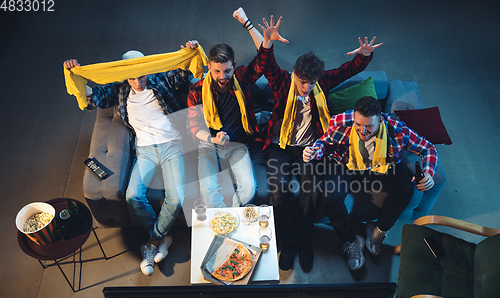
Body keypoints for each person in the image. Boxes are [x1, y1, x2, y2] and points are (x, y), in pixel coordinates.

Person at [256, 15, 382, 272]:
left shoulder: (320, 84)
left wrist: (364, 56)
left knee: (310, 196)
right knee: (279, 194)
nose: (307, 87)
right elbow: (267, 65)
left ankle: (304, 242)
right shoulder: (282, 82)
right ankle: (289, 243)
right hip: (280, 146)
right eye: (303, 81)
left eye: (311, 82)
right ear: (295, 76)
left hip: (309, 149)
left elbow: (348, 70)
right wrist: (267, 42)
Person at [63, 40, 199, 276]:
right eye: (133, 77)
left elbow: (184, 71)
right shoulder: (120, 91)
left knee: (176, 198)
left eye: (142, 74)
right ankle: (162, 237)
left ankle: (153, 243)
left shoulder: (162, 79)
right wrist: (75, 74)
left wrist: (190, 50)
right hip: (145, 150)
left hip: (173, 145)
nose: (138, 81)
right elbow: (92, 98)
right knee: (132, 195)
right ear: (125, 75)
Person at [303, 96, 437, 271]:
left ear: (380, 120)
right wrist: (314, 151)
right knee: (330, 196)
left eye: (369, 126)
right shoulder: (341, 123)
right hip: (347, 164)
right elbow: (323, 143)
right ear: (354, 118)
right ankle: (351, 241)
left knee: (406, 188)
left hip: (383, 164)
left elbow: (428, 148)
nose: (363, 130)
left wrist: (428, 172)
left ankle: (378, 230)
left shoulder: (397, 129)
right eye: (359, 124)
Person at [186, 16, 287, 208]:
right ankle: (223, 222)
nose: (222, 77)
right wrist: (212, 139)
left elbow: (263, 60)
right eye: (217, 72)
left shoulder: (241, 77)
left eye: (227, 71)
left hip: (238, 145)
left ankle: (230, 218)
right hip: (209, 146)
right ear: (209, 66)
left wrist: (264, 39)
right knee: (208, 190)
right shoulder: (196, 90)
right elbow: (194, 127)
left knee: (249, 189)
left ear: (233, 65)